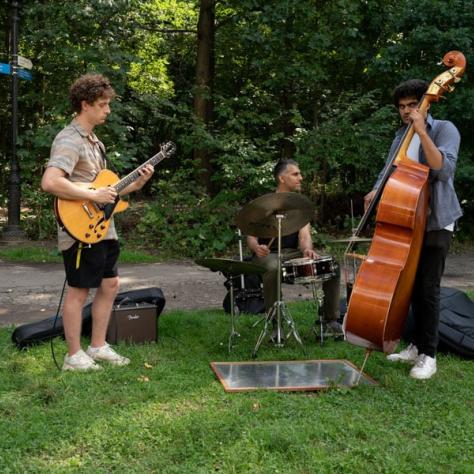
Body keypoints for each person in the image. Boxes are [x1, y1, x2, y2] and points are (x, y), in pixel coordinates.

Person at [41, 74, 154, 371]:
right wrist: (93, 192)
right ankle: (73, 355)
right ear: (85, 104)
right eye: (103, 105)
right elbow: (51, 182)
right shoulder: (69, 138)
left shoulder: (95, 142)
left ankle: (99, 345)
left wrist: (136, 184)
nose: (108, 110)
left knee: (110, 283)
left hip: (103, 226)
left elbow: (108, 190)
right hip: (79, 228)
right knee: (79, 291)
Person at [364, 79, 462, 380]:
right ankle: (416, 345)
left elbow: (443, 170)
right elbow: (391, 169)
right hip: (407, 219)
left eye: (411, 105)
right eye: (402, 107)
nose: (406, 112)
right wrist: (376, 190)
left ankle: (429, 355)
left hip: (436, 220)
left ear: (425, 104)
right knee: (410, 286)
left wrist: (421, 129)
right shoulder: (400, 135)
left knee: (428, 288)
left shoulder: (444, 129)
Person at [247, 159, 342, 338]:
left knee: (332, 264)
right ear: (282, 178)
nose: (301, 177)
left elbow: (304, 236)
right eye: (295, 174)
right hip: (267, 255)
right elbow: (251, 237)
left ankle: (330, 320)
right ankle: (275, 324)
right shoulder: (264, 204)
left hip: (291, 254)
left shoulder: (300, 206)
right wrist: (256, 247)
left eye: (300, 174)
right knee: (273, 267)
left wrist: (307, 250)